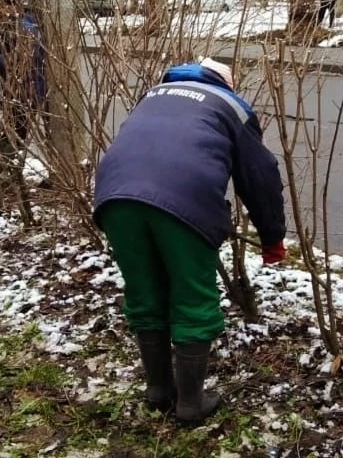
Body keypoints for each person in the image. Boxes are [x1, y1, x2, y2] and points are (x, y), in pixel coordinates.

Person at [93, 57, 287, 424]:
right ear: (225, 82)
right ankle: (190, 405)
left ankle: (159, 391)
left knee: (144, 289)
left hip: (114, 197)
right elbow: (260, 177)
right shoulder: (231, 105)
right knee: (192, 294)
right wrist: (272, 237)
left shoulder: (153, 95)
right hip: (185, 200)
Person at [0, 0, 48, 168]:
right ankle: (8, 173)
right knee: (14, 135)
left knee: (10, 139)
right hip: (28, 87)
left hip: (26, 88)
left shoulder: (23, 25)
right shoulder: (23, 22)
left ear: (7, 4)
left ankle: (7, 175)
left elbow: (23, 58)